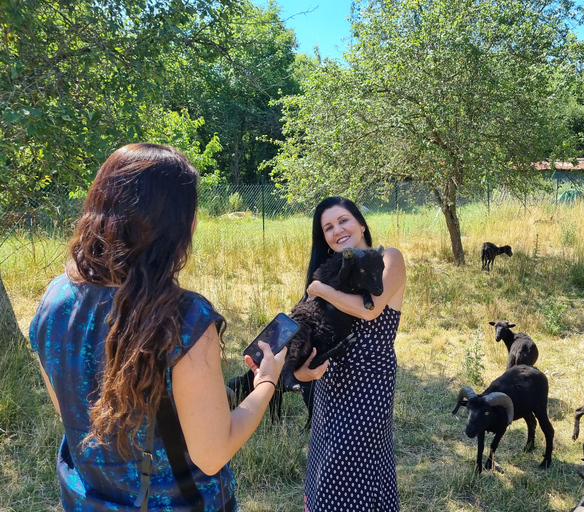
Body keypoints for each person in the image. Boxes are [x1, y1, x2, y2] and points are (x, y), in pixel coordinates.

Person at [28, 143, 323, 511]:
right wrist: (266, 381)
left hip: (86, 501)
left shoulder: (53, 300)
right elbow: (212, 453)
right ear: (176, 227)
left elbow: (70, 413)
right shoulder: (184, 318)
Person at [302, 196, 407, 512]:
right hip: (330, 381)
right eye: (328, 228)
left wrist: (319, 290)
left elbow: (370, 309)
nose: (337, 230)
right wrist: (304, 369)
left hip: (369, 383)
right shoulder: (333, 272)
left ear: (361, 223)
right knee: (325, 465)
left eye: (343, 220)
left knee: (349, 464)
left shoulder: (388, 258)